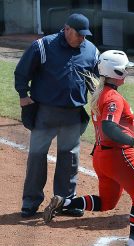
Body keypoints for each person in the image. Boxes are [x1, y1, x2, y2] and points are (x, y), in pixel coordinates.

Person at [43, 50, 134, 246]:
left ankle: (65, 202)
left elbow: (110, 121)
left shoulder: (101, 93)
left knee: (107, 202)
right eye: (125, 69)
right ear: (116, 71)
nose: (127, 73)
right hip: (119, 156)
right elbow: (109, 127)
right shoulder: (113, 97)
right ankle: (133, 245)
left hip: (101, 158)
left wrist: (130, 123)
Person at [14, 13, 98, 218]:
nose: (83, 39)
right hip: (46, 112)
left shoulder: (91, 50)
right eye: (79, 34)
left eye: (85, 35)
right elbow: (22, 71)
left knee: (69, 157)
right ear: (67, 29)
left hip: (73, 113)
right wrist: (23, 95)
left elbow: (96, 81)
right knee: (37, 156)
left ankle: (65, 202)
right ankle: (31, 202)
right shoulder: (43, 46)